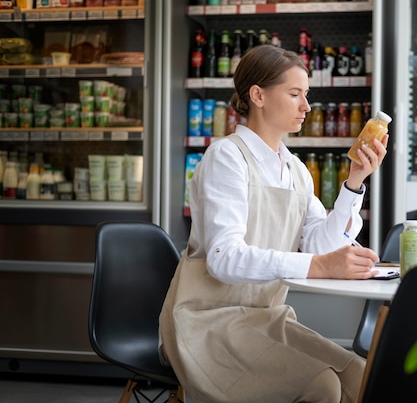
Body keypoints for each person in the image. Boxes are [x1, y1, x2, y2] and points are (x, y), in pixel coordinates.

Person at [159, 44, 389, 403]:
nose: (306, 106)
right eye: (295, 93)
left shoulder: (295, 169)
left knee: (360, 376)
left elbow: (320, 245)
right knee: (321, 386)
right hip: (208, 323)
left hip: (266, 317)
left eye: (306, 95)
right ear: (258, 95)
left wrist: (355, 181)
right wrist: (318, 266)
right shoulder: (227, 156)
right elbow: (223, 257)